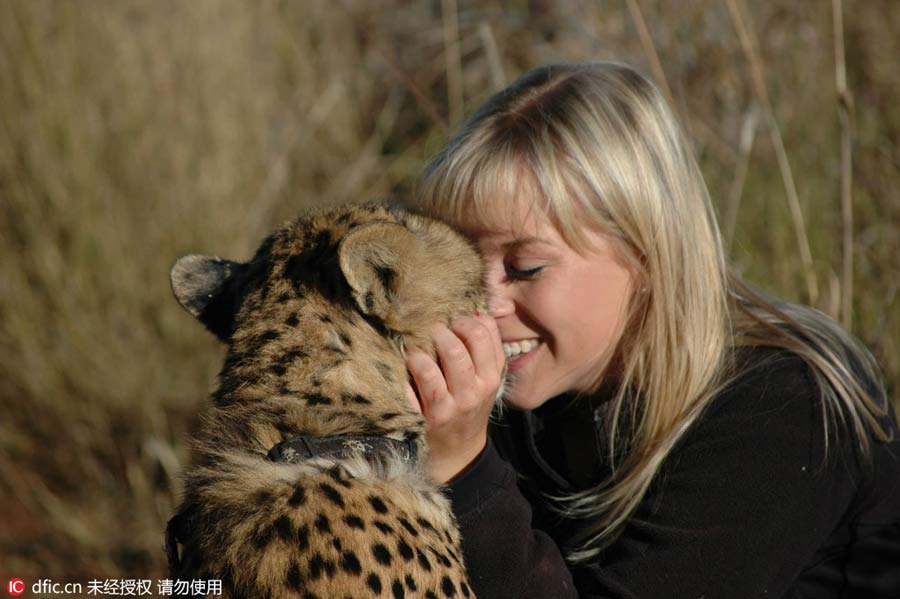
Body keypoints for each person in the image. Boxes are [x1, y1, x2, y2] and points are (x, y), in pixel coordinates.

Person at [403, 62, 900, 598]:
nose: (486, 306)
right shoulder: (537, 392)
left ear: (645, 251)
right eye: (463, 268)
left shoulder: (784, 408)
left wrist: (466, 473)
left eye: (525, 268)